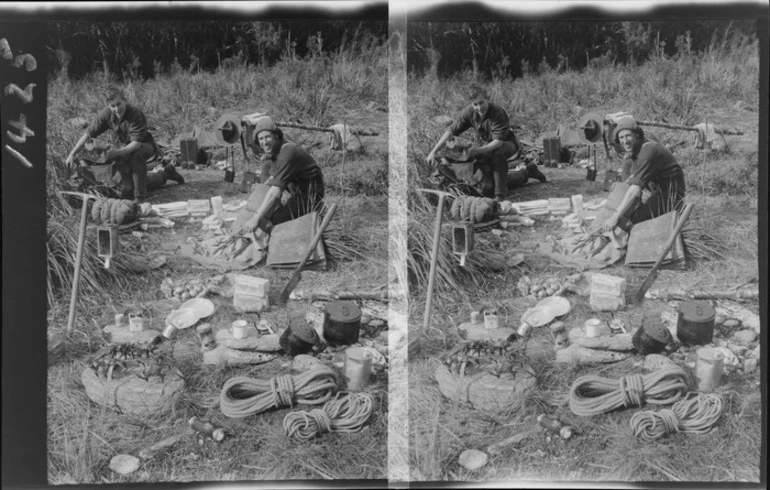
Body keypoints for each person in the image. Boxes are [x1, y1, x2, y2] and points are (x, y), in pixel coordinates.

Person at [426, 85, 546, 201]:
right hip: (489, 144)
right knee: (487, 185)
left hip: (508, 144)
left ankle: (500, 196)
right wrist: (433, 152)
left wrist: (477, 150)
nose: (479, 107)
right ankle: (528, 172)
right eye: (475, 104)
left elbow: (498, 142)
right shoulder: (469, 112)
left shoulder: (498, 112)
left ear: (487, 99)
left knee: (497, 154)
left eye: (481, 102)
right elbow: (450, 131)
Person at [65, 86, 184, 202]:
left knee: (136, 155)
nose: (116, 109)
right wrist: (72, 154)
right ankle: (166, 173)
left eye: (119, 104)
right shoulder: (106, 114)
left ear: (124, 100)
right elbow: (88, 134)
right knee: (126, 187)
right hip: (126, 147)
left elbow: (136, 144)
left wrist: (116, 153)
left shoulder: (135, 113)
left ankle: (140, 197)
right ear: (108, 105)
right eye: (113, 106)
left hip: (145, 145)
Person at [237, 116, 325, 233]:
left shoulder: (287, 152)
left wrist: (255, 218)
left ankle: (310, 216)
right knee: (267, 166)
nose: (264, 142)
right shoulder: (274, 155)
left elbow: (274, 192)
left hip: (310, 195)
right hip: (296, 191)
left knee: (277, 219)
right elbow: (269, 183)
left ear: (276, 136)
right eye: (261, 139)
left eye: (267, 137)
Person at [601, 115, 686, 232]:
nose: (625, 141)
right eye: (621, 138)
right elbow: (627, 184)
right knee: (628, 213)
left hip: (671, 195)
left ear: (637, 135)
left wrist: (615, 217)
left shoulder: (648, 151)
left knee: (636, 220)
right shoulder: (633, 155)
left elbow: (635, 189)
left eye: (628, 136)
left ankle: (673, 213)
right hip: (657, 192)